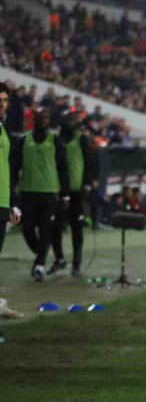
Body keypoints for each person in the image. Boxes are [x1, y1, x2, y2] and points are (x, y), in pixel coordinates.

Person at [10, 108, 70, 282]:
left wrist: (65, 195)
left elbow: (63, 169)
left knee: (45, 229)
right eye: (39, 117)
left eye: (45, 117)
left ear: (49, 120)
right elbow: (15, 166)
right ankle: (41, 252)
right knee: (27, 229)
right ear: (33, 119)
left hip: (50, 192)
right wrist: (12, 186)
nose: (42, 120)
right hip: (27, 192)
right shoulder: (23, 140)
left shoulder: (55, 140)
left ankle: (39, 265)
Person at [48, 110, 97, 278]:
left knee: (76, 228)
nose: (70, 122)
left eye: (72, 120)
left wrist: (87, 184)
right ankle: (59, 259)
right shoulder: (56, 139)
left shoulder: (81, 138)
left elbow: (89, 162)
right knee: (55, 227)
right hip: (58, 190)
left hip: (76, 190)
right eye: (67, 119)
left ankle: (76, 262)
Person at [0, 83, 22, 256]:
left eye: (5, 100)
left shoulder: (3, 130)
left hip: (2, 202)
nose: (2, 104)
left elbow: (6, 169)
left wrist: (13, 202)